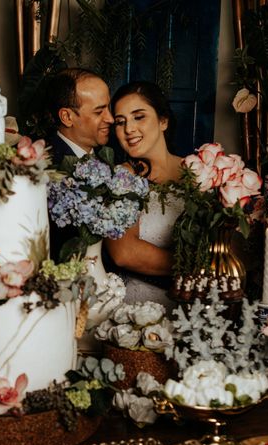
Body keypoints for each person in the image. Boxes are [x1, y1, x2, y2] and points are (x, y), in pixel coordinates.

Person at [104, 81, 184, 312]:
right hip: (139, 305)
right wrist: (199, 266)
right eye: (120, 122)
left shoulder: (200, 170)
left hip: (197, 306)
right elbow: (124, 253)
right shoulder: (122, 178)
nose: (129, 129)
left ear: (163, 121)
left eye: (139, 117)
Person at [44, 68, 114, 167]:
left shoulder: (112, 155)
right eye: (98, 112)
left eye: (109, 107)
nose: (111, 119)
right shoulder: (46, 166)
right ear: (67, 117)